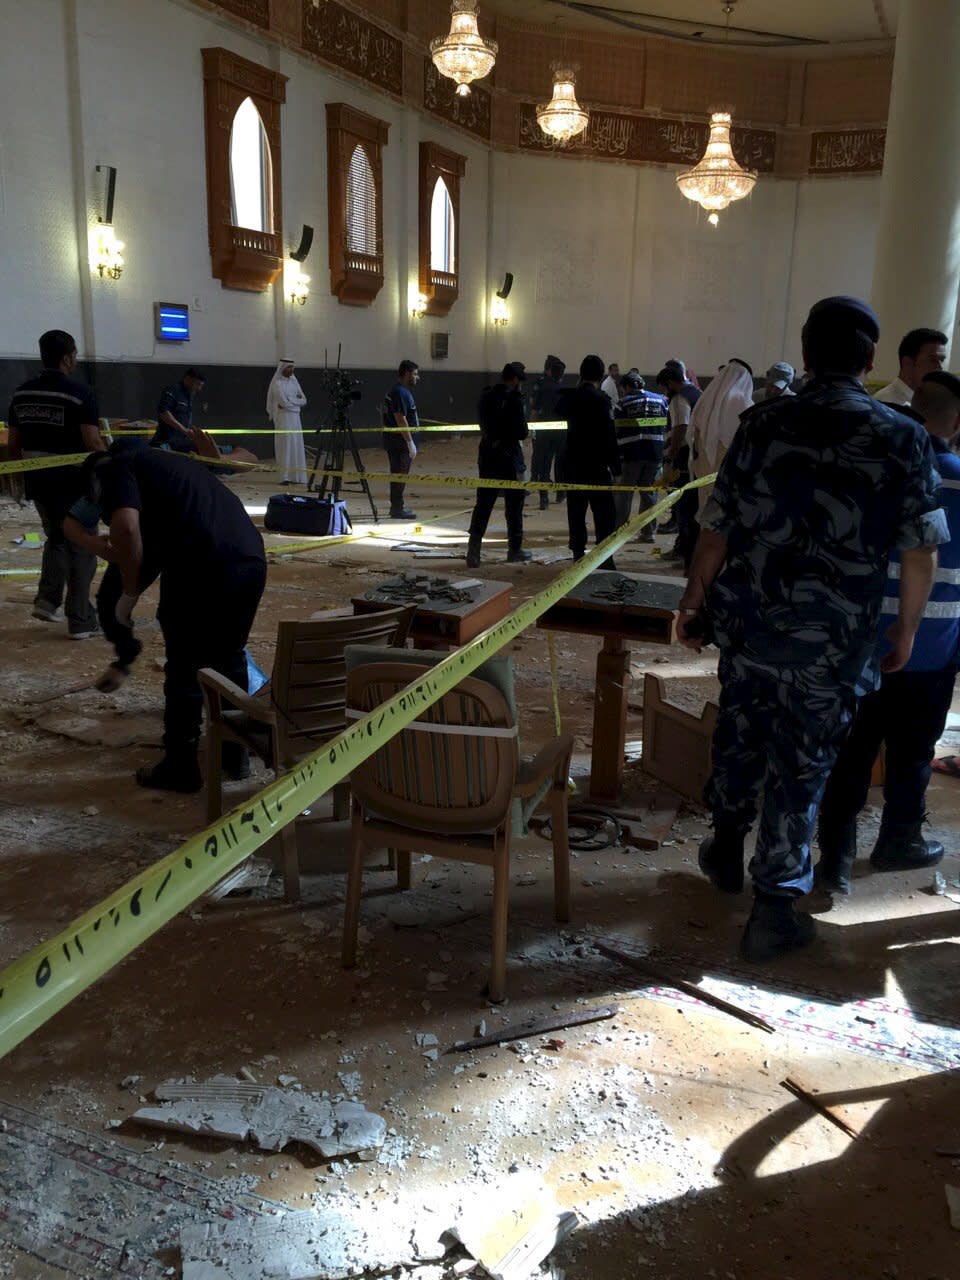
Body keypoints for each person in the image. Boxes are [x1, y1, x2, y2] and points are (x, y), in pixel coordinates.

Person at [677, 296, 946, 962]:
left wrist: (693, 597)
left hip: (751, 624)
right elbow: (921, 552)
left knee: (741, 734)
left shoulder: (762, 423)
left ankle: (724, 842)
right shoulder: (901, 435)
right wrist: (906, 631)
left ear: (803, 353)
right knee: (802, 766)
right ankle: (773, 908)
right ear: (871, 359)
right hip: (836, 640)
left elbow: (718, 525)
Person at [816, 371, 960, 892]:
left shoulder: (872, 471)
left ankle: (833, 859)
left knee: (851, 751)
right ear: (957, 422)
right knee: (914, 750)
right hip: (933, 648)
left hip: (863, 640)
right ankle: (900, 840)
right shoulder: (958, 477)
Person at [66, 443, 266, 792]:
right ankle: (234, 754)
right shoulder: (164, 470)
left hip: (201, 561)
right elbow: (141, 551)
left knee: (184, 666)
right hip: (248, 557)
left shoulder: (116, 465)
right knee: (228, 657)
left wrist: (129, 593)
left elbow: (127, 531)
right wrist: (122, 584)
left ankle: (181, 766)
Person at [6, 329, 105, 638]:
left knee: (56, 539)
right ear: (67, 357)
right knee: (83, 546)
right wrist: (113, 466)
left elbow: (14, 444)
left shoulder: (21, 394)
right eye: (74, 354)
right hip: (73, 485)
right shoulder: (80, 393)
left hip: (38, 482)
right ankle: (81, 619)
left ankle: (48, 601)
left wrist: (17, 478)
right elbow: (91, 440)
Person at [558, 355, 622, 566]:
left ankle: (578, 554)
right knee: (604, 514)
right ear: (601, 375)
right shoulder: (602, 401)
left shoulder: (570, 399)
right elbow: (609, 437)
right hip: (597, 466)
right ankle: (605, 558)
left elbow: (557, 411)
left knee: (576, 512)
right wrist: (616, 468)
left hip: (574, 464)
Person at [466, 362, 531, 567]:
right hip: (510, 457)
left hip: (488, 454)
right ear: (514, 380)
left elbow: (483, 424)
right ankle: (514, 549)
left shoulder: (485, 396)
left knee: (483, 504)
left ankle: (473, 551)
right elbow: (521, 432)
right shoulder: (515, 400)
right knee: (514, 506)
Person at [689, 358, 755, 511]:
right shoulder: (744, 403)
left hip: (704, 469)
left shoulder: (705, 400)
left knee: (705, 514)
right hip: (729, 474)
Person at [613, 372, 669, 540]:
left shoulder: (623, 403)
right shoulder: (661, 400)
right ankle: (648, 532)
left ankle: (620, 531)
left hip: (632, 453)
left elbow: (617, 429)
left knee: (625, 494)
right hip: (655, 453)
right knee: (649, 493)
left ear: (627, 386)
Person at [658, 363, 702, 560]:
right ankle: (687, 549)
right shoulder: (697, 392)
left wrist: (671, 455)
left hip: (683, 458)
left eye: (663, 387)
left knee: (683, 507)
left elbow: (680, 428)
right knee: (692, 507)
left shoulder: (679, 398)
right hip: (697, 456)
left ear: (669, 383)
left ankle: (683, 551)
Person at [382, 359, 420, 519]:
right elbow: (400, 418)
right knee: (400, 473)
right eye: (415, 374)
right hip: (400, 442)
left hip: (396, 441)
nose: (418, 377)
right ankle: (398, 507)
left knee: (398, 473)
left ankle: (396, 506)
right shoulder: (399, 393)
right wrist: (410, 443)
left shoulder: (398, 391)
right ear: (407, 373)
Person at [529, 355, 567, 510]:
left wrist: (533, 429)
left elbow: (534, 410)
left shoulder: (542, 387)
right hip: (561, 432)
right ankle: (560, 493)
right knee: (561, 464)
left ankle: (543, 498)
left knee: (544, 464)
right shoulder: (565, 391)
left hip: (544, 430)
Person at [875, 328, 947, 406]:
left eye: (942, 360)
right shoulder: (884, 403)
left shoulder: (935, 404)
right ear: (908, 362)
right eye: (933, 360)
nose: (940, 367)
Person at [266, 358, 307, 485]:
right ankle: (284, 477)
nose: (291, 370)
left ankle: (297, 477)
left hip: (295, 418)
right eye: (289, 367)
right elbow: (283, 401)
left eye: (292, 367)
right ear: (283, 368)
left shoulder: (295, 382)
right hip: (283, 419)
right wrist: (295, 403)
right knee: (285, 446)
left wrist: (292, 402)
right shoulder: (277, 384)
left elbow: (304, 400)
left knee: (296, 445)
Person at [152, 369, 206, 452]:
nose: (199, 389)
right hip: (167, 443)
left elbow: (183, 418)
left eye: (201, 385)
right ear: (187, 379)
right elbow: (163, 412)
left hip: (180, 443)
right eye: (197, 384)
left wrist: (191, 431)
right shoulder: (173, 391)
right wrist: (184, 430)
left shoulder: (188, 396)